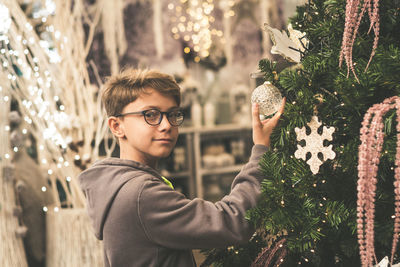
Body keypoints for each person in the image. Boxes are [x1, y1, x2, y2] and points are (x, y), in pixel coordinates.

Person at [78, 68, 285, 267]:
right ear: (117, 126)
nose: (167, 124)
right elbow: (232, 222)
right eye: (150, 114)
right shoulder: (140, 194)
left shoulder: (118, 184)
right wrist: (261, 150)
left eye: (172, 114)